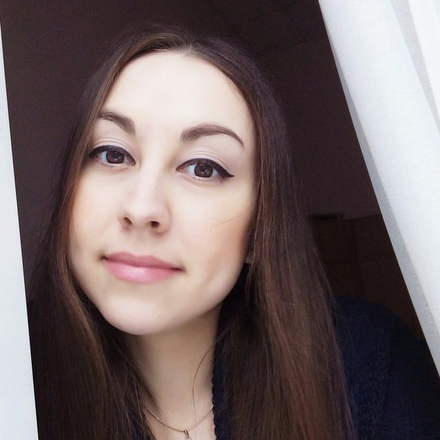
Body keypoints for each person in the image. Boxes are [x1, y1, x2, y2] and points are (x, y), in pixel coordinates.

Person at [27, 24, 440, 440]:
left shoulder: (368, 364)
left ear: (260, 228)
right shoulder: (18, 385)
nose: (141, 208)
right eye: (112, 154)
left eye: (203, 168)